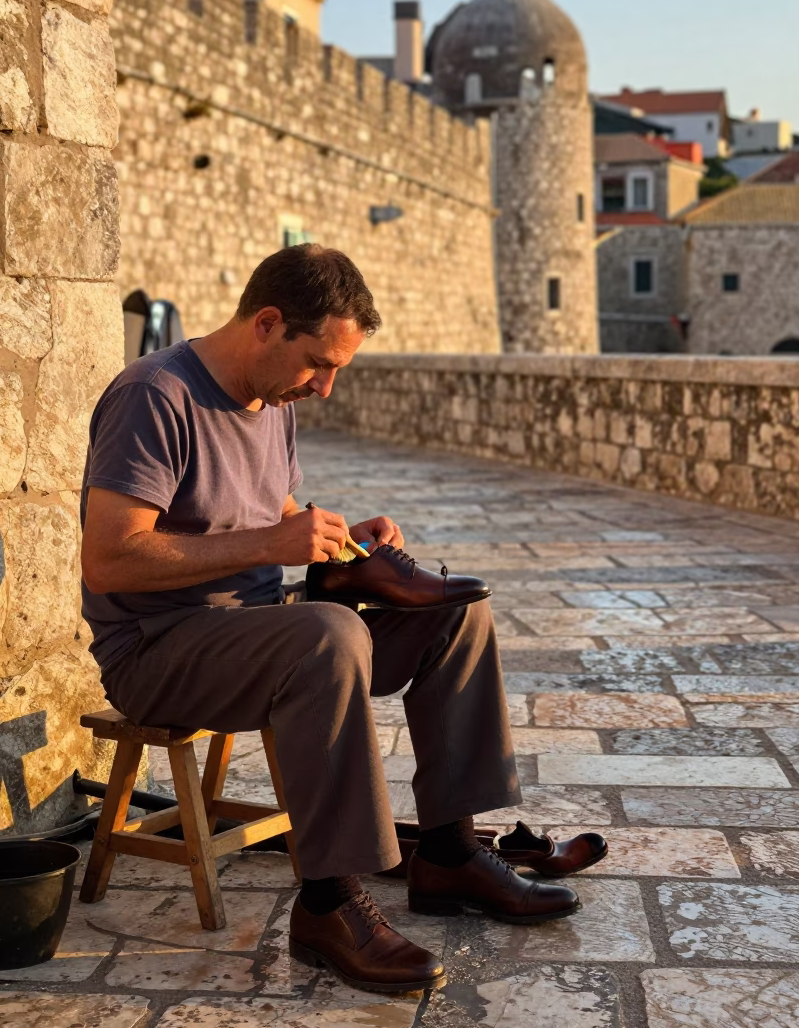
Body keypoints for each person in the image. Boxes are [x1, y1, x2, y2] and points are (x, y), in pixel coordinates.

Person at [80, 243, 584, 994]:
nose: (325, 386)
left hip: (256, 630)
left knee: (456, 616)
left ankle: (449, 855)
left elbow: (271, 513)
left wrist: (340, 541)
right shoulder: (154, 395)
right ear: (268, 323)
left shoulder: (271, 399)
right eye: (319, 363)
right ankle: (329, 906)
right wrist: (273, 542)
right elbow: (110, 559)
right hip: (158, 650)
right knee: (330, 633)